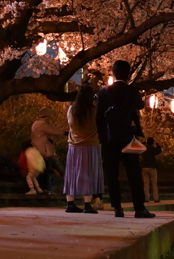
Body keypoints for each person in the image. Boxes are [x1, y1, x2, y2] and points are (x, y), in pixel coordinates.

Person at [96, 60, 155, 219]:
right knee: (134, 174)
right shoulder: (131, 91)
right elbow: (141, 106)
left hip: (109, 140)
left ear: (113, 73)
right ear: (128, 74)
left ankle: (117, 208)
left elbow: (99, 118)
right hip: (129, 138)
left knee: (112, 174)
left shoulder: (104, 92)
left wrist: (103, 138)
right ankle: (139, 208)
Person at [63, 84, 103, 214]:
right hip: (90, 145)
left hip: (74, 146)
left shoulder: (71, 110)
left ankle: (70, 203)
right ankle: (87, 204)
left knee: (72, 174)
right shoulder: (94, 111)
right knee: (88, 174)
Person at [31, 107, 66, 192]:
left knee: (51, 168)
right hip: (42, 150)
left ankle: (51, 188)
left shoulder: (35, 124)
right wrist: (65, 133)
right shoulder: (42, 124)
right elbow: (53, 131)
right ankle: (50, 189)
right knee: (51, 168)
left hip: (38, 149)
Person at [141, 136, 163, 203]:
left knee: (146, 184)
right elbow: (159, 151)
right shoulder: (153, 149)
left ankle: (146, 198)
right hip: (152, 168)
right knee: (154, 184)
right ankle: (155, 198)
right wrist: (157, 144)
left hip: (144, 167)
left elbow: (140, 147)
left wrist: (144, 143)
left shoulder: (144, 148)